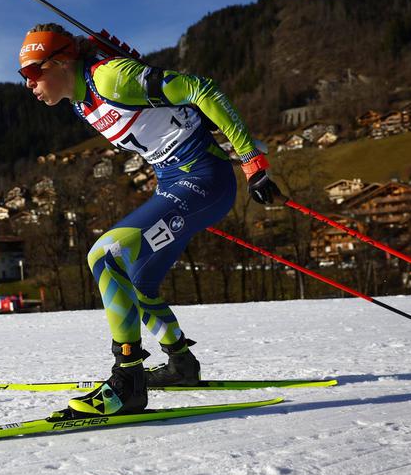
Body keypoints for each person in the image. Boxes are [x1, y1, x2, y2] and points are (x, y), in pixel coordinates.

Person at [18, 23, 281, 416]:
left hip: (204, 179)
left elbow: (200, 89)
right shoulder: (81, 99)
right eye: (23, 75)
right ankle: (181, 364)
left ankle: (127, 382)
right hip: (173, 182)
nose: (29, 84)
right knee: (137, 281)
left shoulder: (109, 78)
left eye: (33, 71)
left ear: (60, 62)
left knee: (105, 256)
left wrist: (252, 161)